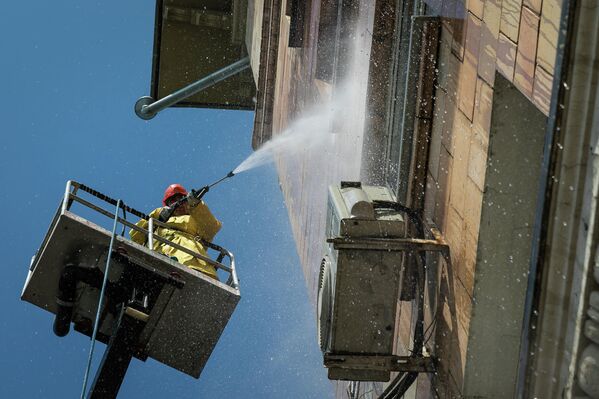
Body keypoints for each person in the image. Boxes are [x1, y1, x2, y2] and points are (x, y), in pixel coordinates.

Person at [130, 184, 222, 280]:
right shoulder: (156, 223)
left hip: (196, 267)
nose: (179, 203)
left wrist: (196, 205)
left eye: (182, 199)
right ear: (168, 205)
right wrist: (159, 215)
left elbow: (212, 227)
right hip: (159, 264)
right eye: (173, 200)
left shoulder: (196, 219)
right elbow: (135, 235)